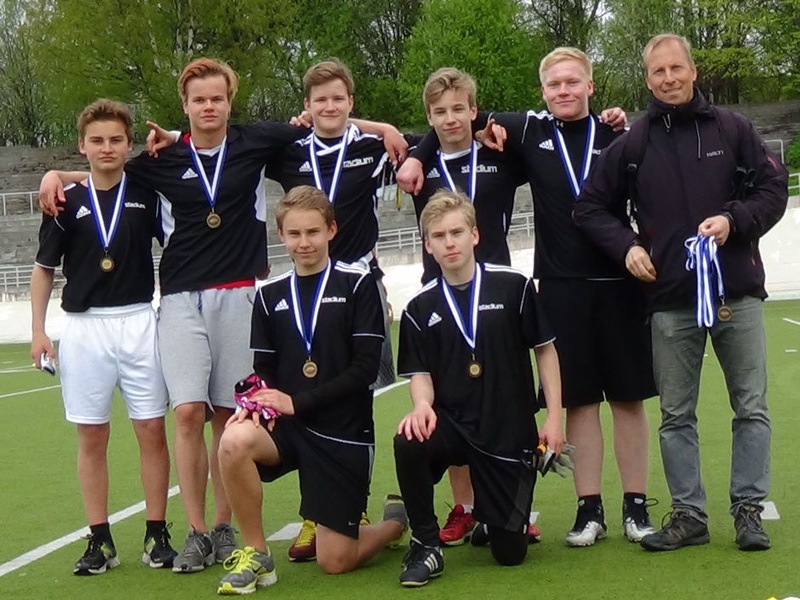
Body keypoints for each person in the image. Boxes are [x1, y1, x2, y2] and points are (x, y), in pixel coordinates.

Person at [39, 57, 314, 573]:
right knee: (186, 413)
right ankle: (195, 530)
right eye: (198, 99)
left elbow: (323, 122)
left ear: (230, 101)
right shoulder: (163, 157)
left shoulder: (256, 141)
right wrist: (57, 174)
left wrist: (387, 130)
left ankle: (224, 525)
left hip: (238, 296)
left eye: (217, 98)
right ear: (184, 106)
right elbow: (106, 172)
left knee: (228, 416)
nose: (208, 106)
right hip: (182, 299)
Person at [398, 51, 654, 549]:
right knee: (574, 400)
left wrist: (622, 118)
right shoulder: (528, 133)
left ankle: (636, 504)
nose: (563, 90)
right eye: (554, 84)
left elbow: (466, 115)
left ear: (591, 86)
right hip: (556, 284)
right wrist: (416, 153)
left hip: (616, 282)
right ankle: (586, 508)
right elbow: (453, 119)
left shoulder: (616, 135)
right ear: (542, 92)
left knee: (626, 399)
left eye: (573, 82)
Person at [574, 33, 788, 552]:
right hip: (669, 300)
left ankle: (748, 511)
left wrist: (734, 220)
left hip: (736, 293)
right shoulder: (635, 142)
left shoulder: (732, 128)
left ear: (692, 71)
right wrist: (627, 247)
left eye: (676, 68)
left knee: (751, 407)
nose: (668, 79)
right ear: (647, 80)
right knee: (675, 415)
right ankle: (689, 515)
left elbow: (773, 189)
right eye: (658, 72)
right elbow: (589, 208)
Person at [215, 185, 407, 595]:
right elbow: (264, 370)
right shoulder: (269, 294)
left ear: (331, 230)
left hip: (343, 432)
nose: (304, 243)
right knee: (233, 439)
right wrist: (253, 404)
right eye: (295, 234)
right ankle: (257, 554)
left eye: (313, 232)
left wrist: (297, 402)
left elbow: (364, 370)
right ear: (281, 235)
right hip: (289, 428)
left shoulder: (358, 285)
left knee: (335, 561)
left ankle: (393, 524)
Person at [29, 99, 176, 575]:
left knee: (151, 429)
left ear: (129, 144)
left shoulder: (147, 194)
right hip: (83, 326)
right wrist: (38, 330)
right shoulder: (64, 200)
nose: (106, 148)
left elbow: (176, 245)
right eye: (97, 140)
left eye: (115, 140)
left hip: (138, 320)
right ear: (82, 146)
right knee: (92, 434)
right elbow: (43, 269)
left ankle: (157, 533)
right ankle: (100, 539)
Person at [393, 190, 563, 587]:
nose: (449, 243)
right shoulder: (419, 307)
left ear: (474, 235)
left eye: (456, 232)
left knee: (510, 555)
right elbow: (420, 374)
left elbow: (545, 350)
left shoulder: (514, 286)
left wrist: (555, 418)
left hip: (507, 432)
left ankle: (492, 517)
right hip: (453, 425)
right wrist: (421, 405)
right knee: (409, 439)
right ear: (428, 245)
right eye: (439, 236)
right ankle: (425, 544)